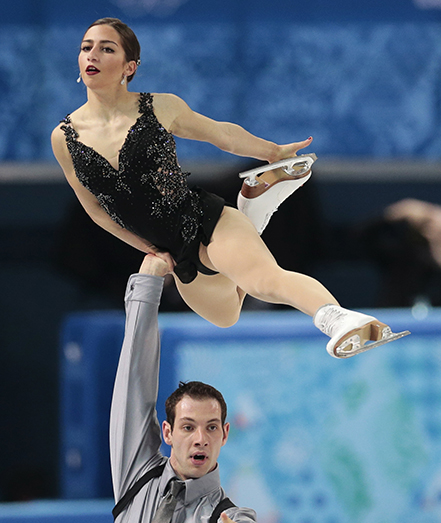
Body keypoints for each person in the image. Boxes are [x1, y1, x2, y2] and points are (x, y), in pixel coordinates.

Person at [51, 17, 409, 358]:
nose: (93, 55)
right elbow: (96, 210)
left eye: (107, 48)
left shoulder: (159, 107)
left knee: (263, 280)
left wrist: (272, 152)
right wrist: (151, 250)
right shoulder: (63, 138)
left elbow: (222, 134)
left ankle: (339, 319)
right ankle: (256, 206)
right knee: (226, 316)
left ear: (130, 66)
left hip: (205, 221)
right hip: (174, 252)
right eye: (86, 47)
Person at [97, 251, 269, 523]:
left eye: (211, 428)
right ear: (168, 432)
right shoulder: (139, 474)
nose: (200, 439)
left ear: (225, 434)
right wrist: (147, 287)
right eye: (188, 427)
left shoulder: (223, 516)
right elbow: (135, 378)